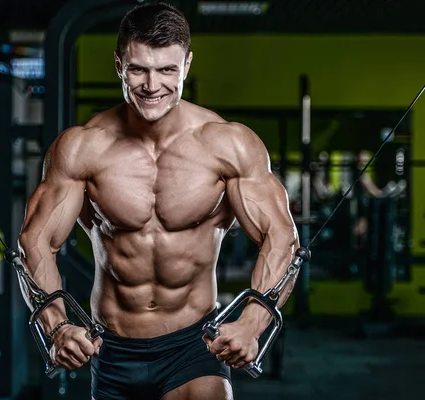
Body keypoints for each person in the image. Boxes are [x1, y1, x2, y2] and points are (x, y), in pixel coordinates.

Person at [18, 2, 300, 399]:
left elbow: (281, 236)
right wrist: (57, 327)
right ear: (119, 65)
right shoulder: (82, 148)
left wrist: (252, 322)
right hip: (111, 348)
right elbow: (36, 242)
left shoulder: (229, 145)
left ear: (186, 64)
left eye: (167, 69)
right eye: (139, 69)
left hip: (194, 344)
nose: (153, 85)